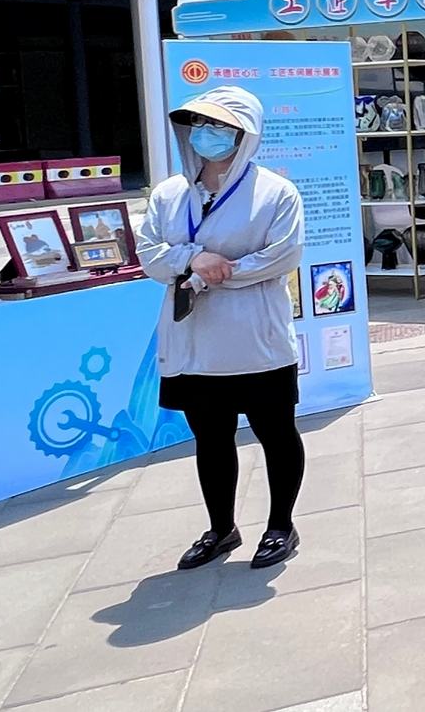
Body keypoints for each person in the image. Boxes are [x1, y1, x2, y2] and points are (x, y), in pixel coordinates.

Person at [134, 86, 307, 572]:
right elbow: (149, 255)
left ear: (244, 133)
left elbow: (281, 256)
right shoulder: (169, 194)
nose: (206, 133)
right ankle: (221, 527)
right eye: (199, 123)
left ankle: (281, 525)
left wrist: (212, 273)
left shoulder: (276, 192)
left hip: (255, 338)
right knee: (210, 438)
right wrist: (195, 259)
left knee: (276, 433)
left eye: (218, 125)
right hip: (193, 340)